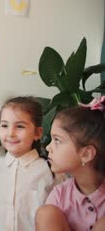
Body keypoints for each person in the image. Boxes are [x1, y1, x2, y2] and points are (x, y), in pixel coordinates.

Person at [0, 96, 54, 231]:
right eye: (4, 125)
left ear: (37, 133)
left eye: (19, 126)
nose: (10, 133)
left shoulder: (47, 169)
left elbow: (58, 212)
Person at [35, 96, 105, 231]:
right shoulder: (59, 195)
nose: (48, 148)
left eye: (57, 140)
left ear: (86, 154)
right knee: (45, 214)